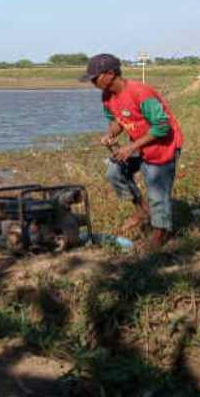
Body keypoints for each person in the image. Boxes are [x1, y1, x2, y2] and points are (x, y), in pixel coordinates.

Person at [81, 53, 184, 250]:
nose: (92, 83)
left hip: (162, 145)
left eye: (95, 78)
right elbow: (118, 120)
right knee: (114, 171)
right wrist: (110, 134)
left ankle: (160, 233)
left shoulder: (140, 93)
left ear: (110, 74)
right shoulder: (107, 96)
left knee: (157, 190)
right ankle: (142, 210)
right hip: (140, 143)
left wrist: (131, 147)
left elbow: (162, 127)